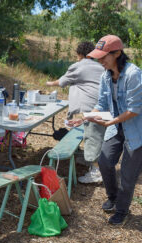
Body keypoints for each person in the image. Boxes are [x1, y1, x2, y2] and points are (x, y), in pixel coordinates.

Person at [86, 35, 142, 225]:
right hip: (118, 125)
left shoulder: (133, 74)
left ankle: (122, 211)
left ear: (117, 53)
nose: (100, 61)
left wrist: (110, 123)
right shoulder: (105, 76)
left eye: (104, 57)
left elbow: (134, 109)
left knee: (128, 174)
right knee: (104, 161)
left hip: (139, 128)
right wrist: (85, 118)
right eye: (98, 57)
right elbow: (101, 103)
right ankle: (113, 196)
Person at [46, 41, 105, 183]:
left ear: (79, 54)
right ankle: (92, 161)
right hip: (104, 106)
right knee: (97, 136)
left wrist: (48, 83)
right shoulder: (100, 67)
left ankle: (96, 172)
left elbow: (61, 82)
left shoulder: (78, 66)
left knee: (92, 137)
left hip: (92, 108)